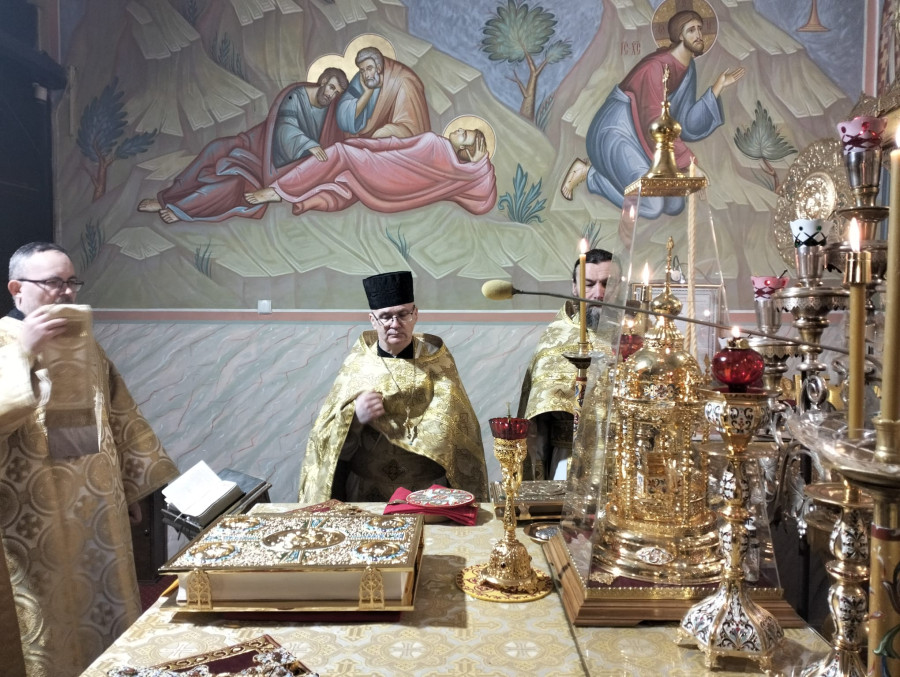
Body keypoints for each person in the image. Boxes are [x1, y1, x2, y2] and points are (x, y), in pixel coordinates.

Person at [0, 242, 179, 676]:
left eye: (71, 282)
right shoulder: (4, 341)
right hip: (30, 521)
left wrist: (130, 487)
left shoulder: (86, 345)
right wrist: (23, 351)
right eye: (52, 282)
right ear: (17, 290)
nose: (65, 292)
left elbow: (118, 415)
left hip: (95, 516)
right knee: (49, 627)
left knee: (103, 617)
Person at [300, 271, 488, 503]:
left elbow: (460, 426)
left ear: (415, 314)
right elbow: (325, 439)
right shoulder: (359, 366)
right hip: (367, 492)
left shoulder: (437, 363)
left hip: (427, 490)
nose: (395, 324)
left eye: (402, 314)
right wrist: (354, 418)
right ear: (372, 320)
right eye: (385, 317)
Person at [560, 8, 745, 218]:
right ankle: (590, 174)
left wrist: (717, 88)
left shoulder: (687, 69)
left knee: (675, 204)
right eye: (691, 30)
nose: (699, 34)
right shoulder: (655, 66)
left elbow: (686, 122)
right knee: (652, 206)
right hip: (617, 131)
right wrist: (689, 164)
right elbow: (653, 119)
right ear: (679, 35)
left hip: (645, 138)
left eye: (700, 29)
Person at [136, 67, 349, 223]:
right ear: (322, 81)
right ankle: (167, 197)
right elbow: (285, 126)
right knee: (215, 148)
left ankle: (182, 209)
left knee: (233, 185)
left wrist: (309, 146)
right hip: (256, 146)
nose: (331, 95)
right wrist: (308, 144)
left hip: (272, 167)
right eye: (331, 87)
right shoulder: (296, 95)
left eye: (336, 93)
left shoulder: (332, 110)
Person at [517, 248, 615, 480]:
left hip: (627, 456)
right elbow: (537, 423)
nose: (598, 293)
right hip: (569, 458)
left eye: (606, 284)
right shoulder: (556, 338)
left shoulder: (638, 337)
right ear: (574, 287)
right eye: (589, 284)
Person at [244, 128, 496, 215]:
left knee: (340, 152)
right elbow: (483, 199)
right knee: (345, 171)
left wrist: (363, 145)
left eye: (464, 135)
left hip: (384, 173)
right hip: (388, 177)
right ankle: (301, 198)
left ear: (465, 148)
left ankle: (279, 190)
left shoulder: (438, 147)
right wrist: (480, 162)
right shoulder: (457, 171)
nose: (459, 130)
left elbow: (394, 145)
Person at [336, 46, 430, 139]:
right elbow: (343, 118)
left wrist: (384, 132)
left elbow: (410, 129)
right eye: (362, 70)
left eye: (369, 68)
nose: (366, 75)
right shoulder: (361, 79)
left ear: (379, 68)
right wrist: (367, 94)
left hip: (390, 140)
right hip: (362, 140)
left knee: (381, 134)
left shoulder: (402, 81)